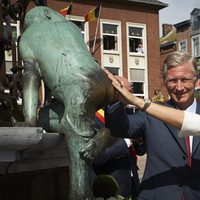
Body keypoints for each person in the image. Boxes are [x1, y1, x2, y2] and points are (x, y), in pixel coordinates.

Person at [103, 51, 200, 200]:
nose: (179, 88)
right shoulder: (151, 113)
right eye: (173, 80)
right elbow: (121, 128)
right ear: (165, 82)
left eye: (185, 80)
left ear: (196, 81)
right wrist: (116, 98)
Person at [93, 76, 146, 200]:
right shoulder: (93, 119)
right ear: (115, 93)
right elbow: (98, 157)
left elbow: (141, 151)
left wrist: (140, 140)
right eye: (128, 92)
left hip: (133, 181)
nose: (132, 96)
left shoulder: (128, 114)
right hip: (111, 186)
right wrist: (129, 141)